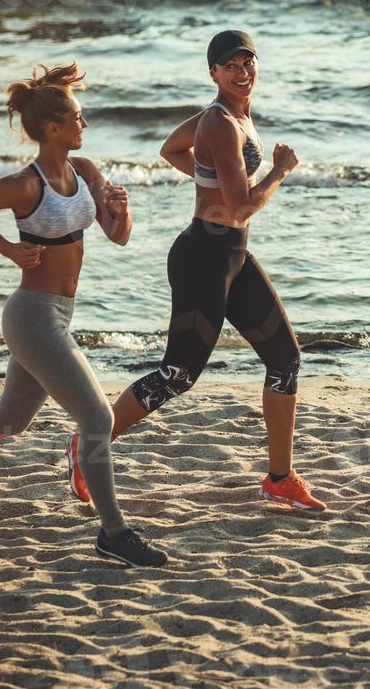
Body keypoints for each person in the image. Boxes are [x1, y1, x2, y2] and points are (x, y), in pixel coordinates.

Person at [0, 62, 168, 567]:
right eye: (78, 119)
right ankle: (113, 531)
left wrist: (121, 210)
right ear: (53, 129)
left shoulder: (85, 171)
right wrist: (10, 251)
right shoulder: (25, 184)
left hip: (57, 317)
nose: (85, 126)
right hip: (31, 318)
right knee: (97, 417)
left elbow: (118, 235)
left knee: (8, 419)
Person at [66, 30, 325, 511]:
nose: (242, 72)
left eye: (248, 62)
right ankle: (88, 444)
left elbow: (170, 148)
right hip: (203, 257)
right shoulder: (220, 124)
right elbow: (244, 206)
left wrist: (210, 178)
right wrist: (280, 171)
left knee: (285, 359)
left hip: (234, 256)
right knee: (179, 373)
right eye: (231, 66)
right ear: (213, 74)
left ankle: (279, 477)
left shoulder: (233, 117)